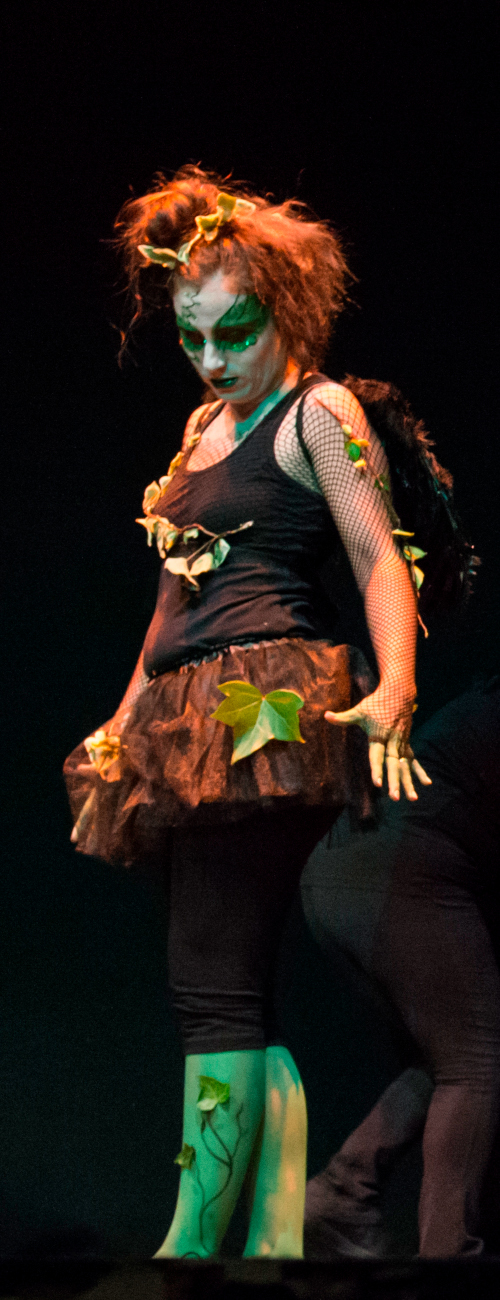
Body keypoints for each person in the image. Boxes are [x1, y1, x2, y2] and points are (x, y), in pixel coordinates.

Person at [63, 166, 467, 1259]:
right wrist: (121, 722)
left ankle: (192, 1244)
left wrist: (395, 687)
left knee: (211, 982)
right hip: (188, 720)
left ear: (281, 310)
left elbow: (378, 556)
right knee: (228, 983)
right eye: (191, 337)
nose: (211, 357)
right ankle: (275, 1236)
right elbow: (171, 609)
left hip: (268, 713)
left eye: (233, 333)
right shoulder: (201, 428)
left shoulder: (317, 413)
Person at [301, 679, 500, 1258]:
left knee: (447, 1054)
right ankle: (447, 1259)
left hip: (343, 870)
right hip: (395, 872)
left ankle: (343, 1195)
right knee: (474, 1063)